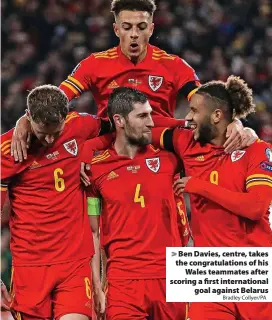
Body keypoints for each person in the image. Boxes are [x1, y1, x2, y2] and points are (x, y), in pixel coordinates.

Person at [11, 0, 248, 162]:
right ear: (116, 29)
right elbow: (58, 99)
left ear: (151, 29)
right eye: (126, 27)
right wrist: (26, 118)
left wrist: (235, 122)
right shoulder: (95, 64)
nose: (134, 34)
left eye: (141, 27)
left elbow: (206, 104)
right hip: (111, 153)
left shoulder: (174, 65)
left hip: (161, 153)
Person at [151, 75, 272, 319]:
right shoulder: (187, 144)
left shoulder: (257, 149)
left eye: (194, 110)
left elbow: (256, 208)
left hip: (255, 268)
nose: (188, 117)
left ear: (217, 116)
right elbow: (144, 124)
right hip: (207, 267)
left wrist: (199, 186)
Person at [0, 85, 111, 320]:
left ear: (66, 115)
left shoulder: (80, 125)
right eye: (43, 132)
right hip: (30, 266)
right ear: (29, 117)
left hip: (74, 261)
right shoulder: (8, 150)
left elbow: (117, 127)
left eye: (56, 132)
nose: (50, 139)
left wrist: (88, 155)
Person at [86, 87, 188, 320]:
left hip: (170, 278)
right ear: (119, 120)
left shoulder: (170, 157)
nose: (151, 123)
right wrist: (97, 286)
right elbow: (93, 232)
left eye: (150, 114)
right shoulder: (95, 169)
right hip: (123, 281)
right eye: (142, 116)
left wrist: (241, 129)